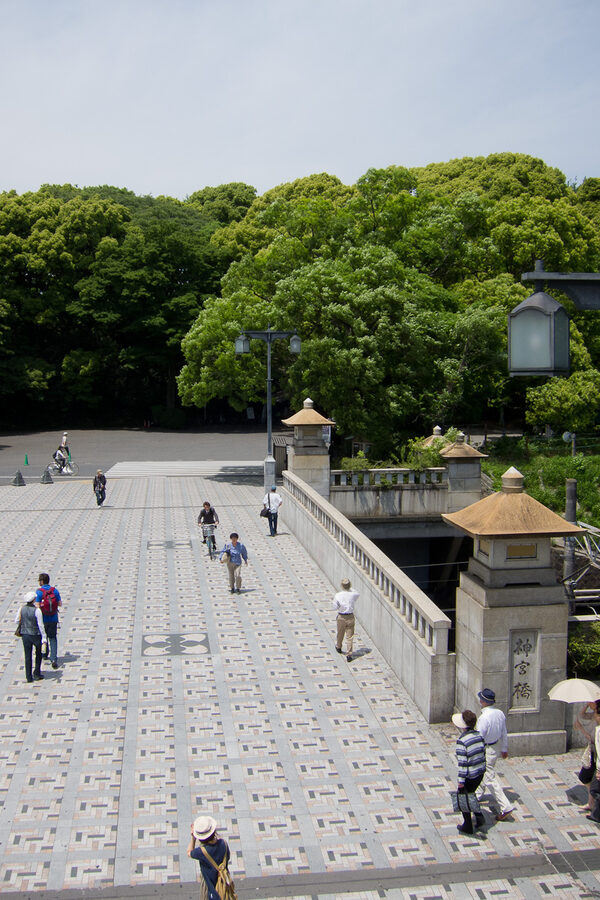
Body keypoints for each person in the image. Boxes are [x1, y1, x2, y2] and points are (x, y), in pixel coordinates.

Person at [475, 688, 514, 820]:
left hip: (486, 749)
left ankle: (505, 806)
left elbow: (479, 737)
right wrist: (504, 748)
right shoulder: (500, 713)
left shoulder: (483, 718)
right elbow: (504, 732)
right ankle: (478, 794)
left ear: (484, 702)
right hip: (495, 747)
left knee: (490, 778)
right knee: (484, 772)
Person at [452, 709, 486, 834]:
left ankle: (467, 825)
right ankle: (479, 816)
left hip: (469, 775)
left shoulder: (462, 741)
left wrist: (461, 781)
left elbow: (463, 763)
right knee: (471, 794)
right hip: (480, 773)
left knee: (463, 798)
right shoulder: (479, 735)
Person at [187, 814, 231, 900]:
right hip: (224, 886)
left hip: (210, 890)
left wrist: (193, 838)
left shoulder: (201, 852)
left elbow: (189, 852)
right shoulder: (224, 844)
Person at [575, 700, 600, 810]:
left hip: (596, 755)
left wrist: (581, 728)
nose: (589, 703)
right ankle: (591, 803)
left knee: (585, 777)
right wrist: (586, 705)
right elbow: (582, 715)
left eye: (591, 702)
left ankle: (593, 804)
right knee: (589, 778)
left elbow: (593, 739)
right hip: (594, 753)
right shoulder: (594, 716)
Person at [15, 591, 45, 682]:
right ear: (34, 600)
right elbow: (40, 625)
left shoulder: (21, 609)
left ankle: (28, 676)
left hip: (25, 635)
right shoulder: (37, 610)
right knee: (38, 654)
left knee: (27, 655)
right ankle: (37, 673)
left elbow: (16, 620)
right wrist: (44, 636)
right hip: (36, 634)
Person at [36, 572, 62, 669]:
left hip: (43, 619)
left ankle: (44, 654)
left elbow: (37, 606)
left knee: (44, 636)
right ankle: (54, 658)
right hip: (53, 618)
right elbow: (60, 603)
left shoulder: (39, 592)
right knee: (53, 638)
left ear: (42, 581)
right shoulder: (54, 591)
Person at [333, 577, 358, 662]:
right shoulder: (353, 594)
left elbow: (334, 607)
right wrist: (349, 587)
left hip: (341, 617)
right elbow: (356, 593)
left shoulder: (338, 595)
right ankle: (349, 654)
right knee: (350, 636)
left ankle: (339, 646)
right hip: (350, 616)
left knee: (340, 633)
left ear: (342, 586)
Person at [586, 702, 600, 824]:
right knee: (595, 790)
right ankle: (596, 814)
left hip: (599, 767)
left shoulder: (598, 731)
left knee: (595, 789)